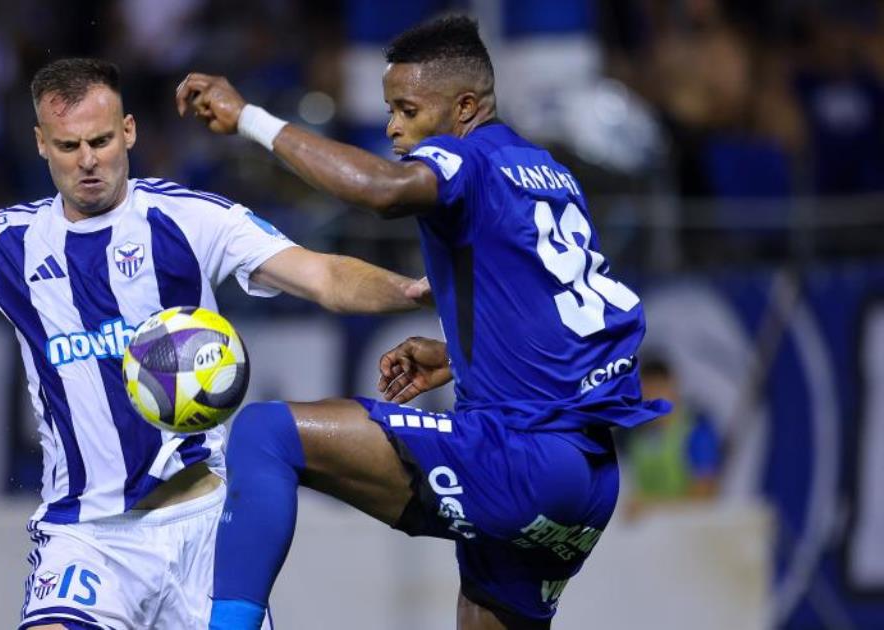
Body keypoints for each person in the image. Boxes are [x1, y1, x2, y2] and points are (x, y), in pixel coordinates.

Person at [0, 57, 428, 630]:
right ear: (41, 144)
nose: (88, 160)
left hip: (203, 528)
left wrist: (417, 291)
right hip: (87, 536)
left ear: (128, 131)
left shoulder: (190, 220)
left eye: (101, 141)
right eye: (69, 146)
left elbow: (324, 276)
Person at [177, 15, 670, 630]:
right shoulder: (547, 172)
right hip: (589, 476)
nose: (393, 127)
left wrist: (250, 118)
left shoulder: (466, 157)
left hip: (522, 457)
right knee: (482, 612)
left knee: (265, 434)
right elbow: (558, 309)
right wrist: (462, 356)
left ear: (464, 108)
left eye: (407, 110)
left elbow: (382, 191)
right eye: (390, 110)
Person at [623, 357, 720, 519]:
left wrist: (652, 507)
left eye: (658, 390)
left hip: (687, 527)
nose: (652, 399)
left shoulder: (696, 432)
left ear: (673, 387)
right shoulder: (634, 435)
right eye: (647, 393)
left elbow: (705, 495)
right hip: (650, 529)